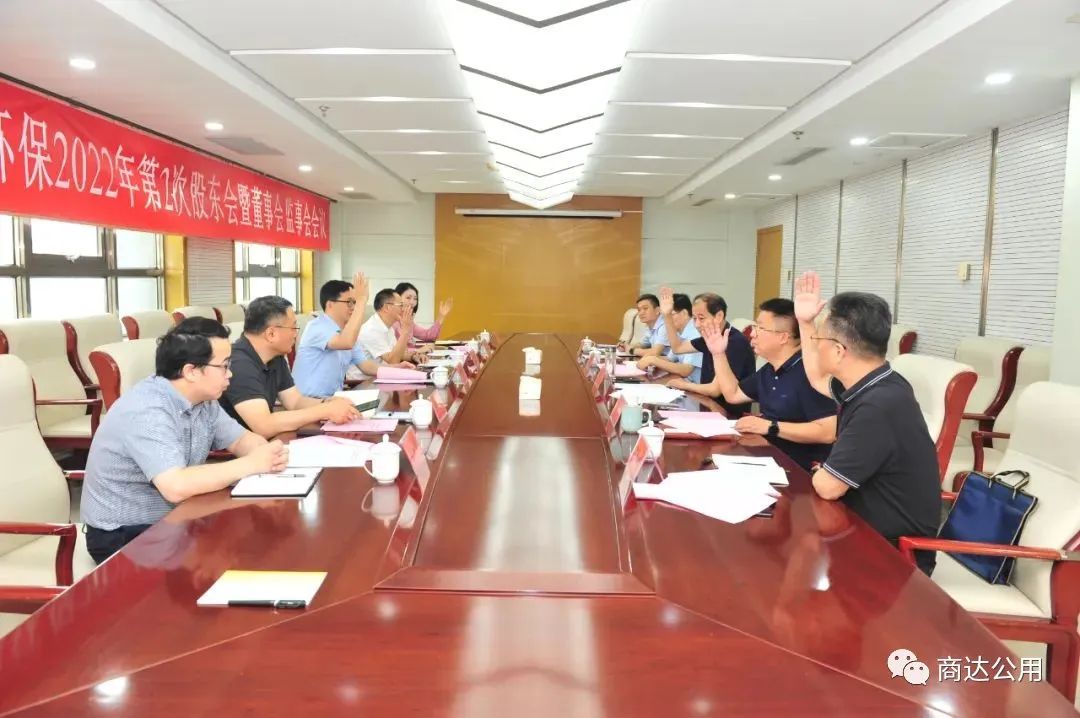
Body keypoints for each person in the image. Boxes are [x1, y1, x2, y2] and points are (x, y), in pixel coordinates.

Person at [81, 317, 289, 563]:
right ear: (191, 371)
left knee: (259, 537)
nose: (230, 374)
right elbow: (175, 486)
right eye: (224, 366)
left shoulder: (204, 400)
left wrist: (266, 453)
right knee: (236, 553)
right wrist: (252, 464)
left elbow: (241, 439)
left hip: (176, 519)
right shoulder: (147, 409)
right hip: (124, 534)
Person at [794, 270, 941, 575]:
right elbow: (818, 379)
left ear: (838, 351)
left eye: (818, 339)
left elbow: (828, 487)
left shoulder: (878, 405)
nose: (814, 344)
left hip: (892, 557)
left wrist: (823, 472)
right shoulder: (878, 381)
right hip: (859, 530)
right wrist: (806, 324)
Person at [697, 298, 837, 470]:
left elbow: (827, 432)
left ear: (783, 337)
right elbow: (733, 394)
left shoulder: (809, 373)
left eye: (760, 328)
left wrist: (771, 427)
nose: (752, 333)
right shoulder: (770, 369)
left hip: (798, 469)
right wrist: (718, 354)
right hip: (766, 457)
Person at [220, 295, 361, 437]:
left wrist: (327, 402)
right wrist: (325, 410)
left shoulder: (275, 356)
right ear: (271, 334)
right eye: (293, 327)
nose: (295, 334)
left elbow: (295, 401)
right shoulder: (238, 364)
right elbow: (264, 425)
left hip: (263, 442)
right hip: (235, 448)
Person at [657, 287, 756, 416]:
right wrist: (667, 315)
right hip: (707, 404)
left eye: (701, 318)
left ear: (719, 316)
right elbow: (677, 348)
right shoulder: (710, 336)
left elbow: (715, 390)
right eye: (694, 318)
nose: (697, 324)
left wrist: (684, 385)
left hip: (728, 415)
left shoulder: (735, 342)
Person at [292, 274, 382, 397]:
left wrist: (400, 371)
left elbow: (367, 367)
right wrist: (361, 301)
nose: (353, 307)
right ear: (330, 304)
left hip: (333, 400)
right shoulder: (317, 326)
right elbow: (346, 342)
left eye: (355, 302)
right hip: (309, 400)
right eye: (349, 302)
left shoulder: (346, 332)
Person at [635, 292, 703, 383]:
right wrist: (648, 359)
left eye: (671, 314)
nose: (666, 320)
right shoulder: (678, 332)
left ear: (684, 313)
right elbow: (670, 359)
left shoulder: (696, 333)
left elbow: (685, 370)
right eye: (665, 316)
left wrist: (654, 360)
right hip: (681, 381)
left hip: (696, 387)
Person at [359, 288, 429, 366]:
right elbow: (393, 361)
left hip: (383, 371)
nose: (403, 309)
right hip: (370, 374)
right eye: (401, 305)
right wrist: (405, 332)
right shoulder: (371, 330)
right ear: (387, 307)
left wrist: (414, 356)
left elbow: (398, 354)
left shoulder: (388, 327)